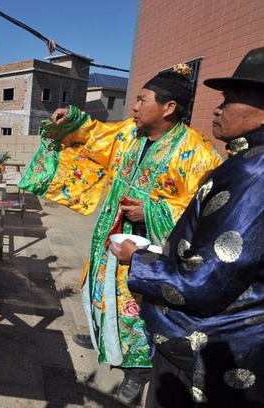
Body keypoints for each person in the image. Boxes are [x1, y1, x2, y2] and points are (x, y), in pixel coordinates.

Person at [19, 68, 224, 403]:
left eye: (142, 100)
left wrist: (151, 211)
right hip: (111, 232)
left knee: (136, 306)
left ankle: (138, 370)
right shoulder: (129, 132)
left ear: (169, 107)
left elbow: (203, 211)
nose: (134, 107)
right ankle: (105, 341)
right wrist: (73, 119)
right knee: (101, 287)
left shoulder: (199, 154)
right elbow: (96, 134)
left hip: (150, 246)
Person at [112, 47, 264, 407]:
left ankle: (135, 370)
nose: (217, 109)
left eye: (229, 100)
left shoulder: (251, 171)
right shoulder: (243, 158)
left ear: (168, 108)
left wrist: (140, 255)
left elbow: (209, 280)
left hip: (211, 338)